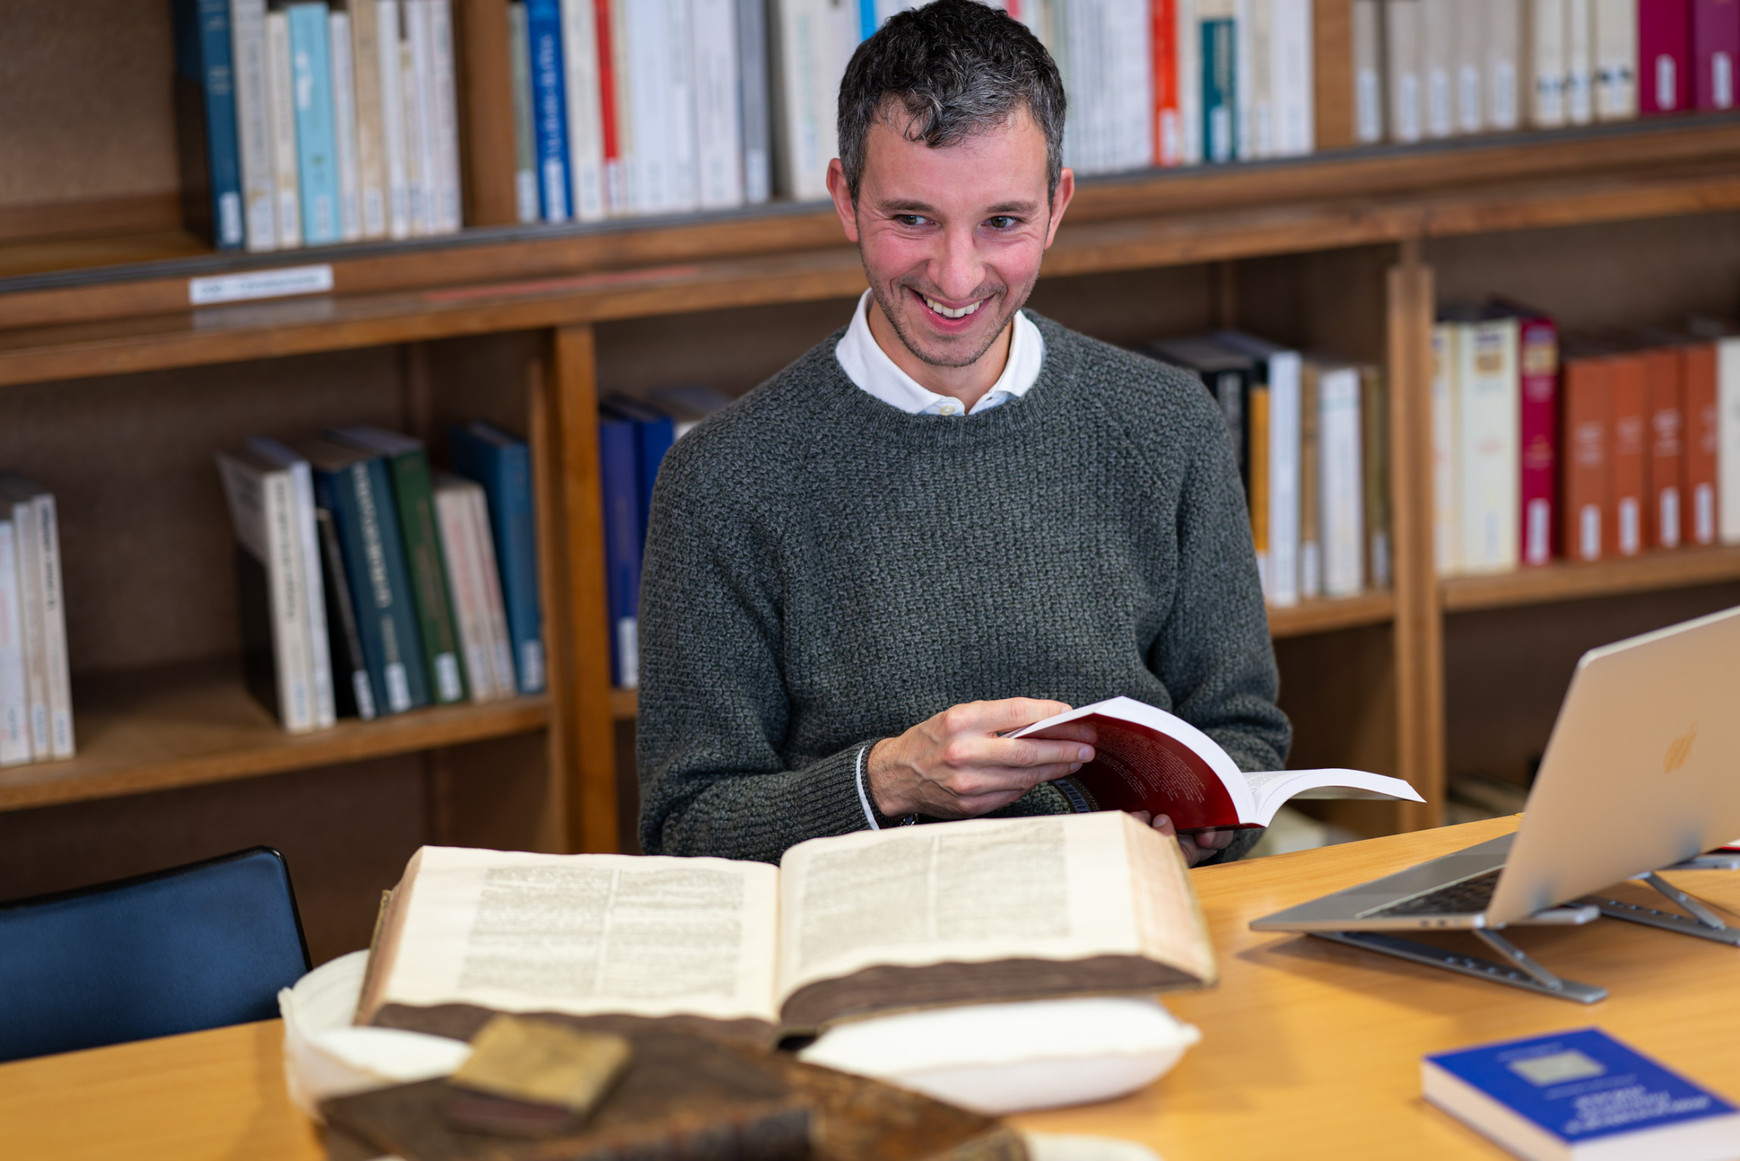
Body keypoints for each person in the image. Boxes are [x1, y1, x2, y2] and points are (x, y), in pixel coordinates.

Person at [637, 0, 1289, 867]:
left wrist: (1203, 826)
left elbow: (1244, 735)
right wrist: (885, 781)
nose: (956, 275)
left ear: (1057, 207)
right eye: (912, 218)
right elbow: (686, 826)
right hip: (873, 958)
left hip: (1129, 930)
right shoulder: (720, 480)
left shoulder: (1169, 425)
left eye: (1002, 223)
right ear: (845, 198)